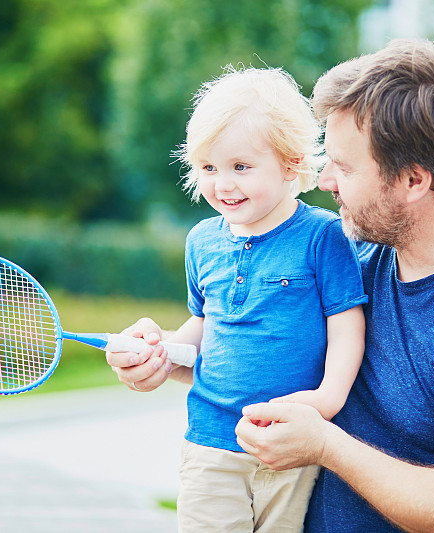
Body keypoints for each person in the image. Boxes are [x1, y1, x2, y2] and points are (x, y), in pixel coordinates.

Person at [111, 39, 434, 532]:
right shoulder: (358, 251)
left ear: (414, 181)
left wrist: (327, 446)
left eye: (344, 166)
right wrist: (164, 358)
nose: (324, 179)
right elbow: (259, 359)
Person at [109, 66, 367, 532]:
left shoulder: (321, 238)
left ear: (290, 164)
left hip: (291, 439)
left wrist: (327, 400)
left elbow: (346, 327)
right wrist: (161, 352)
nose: (222, 184)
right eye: (208, 167)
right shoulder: (202, 241)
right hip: (210, 439)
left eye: (240, 167)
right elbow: (205, 326)